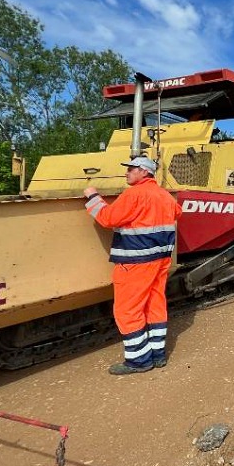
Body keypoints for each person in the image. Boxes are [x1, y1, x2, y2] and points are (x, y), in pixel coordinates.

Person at [83, 156, 182, 375]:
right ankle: (158, 355)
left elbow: (108, 218)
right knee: (155, 306)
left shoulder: (134, 194)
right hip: (160, 261)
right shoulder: (165, 196)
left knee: (128, 311)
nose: (126, 172)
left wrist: (92, 197)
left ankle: (139, 361)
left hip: (135, 262)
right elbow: (177, 213)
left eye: (131, 169)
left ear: (144, 172)